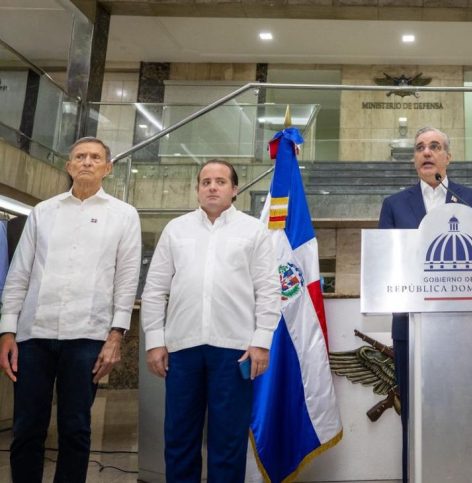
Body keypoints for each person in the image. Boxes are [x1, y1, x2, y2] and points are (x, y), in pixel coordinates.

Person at [0, 136, 141, 482]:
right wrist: (7, 331)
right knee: (27, 427)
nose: (86, 162)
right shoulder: (43, 212)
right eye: (79, 156)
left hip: (88, 336)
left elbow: (126, 279)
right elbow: (19, 273)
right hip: (34, 335)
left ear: (108, 168)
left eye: (95, 157)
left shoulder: (124, 216)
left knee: (75, 428)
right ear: (68, 165)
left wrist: (116, 336)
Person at [141, 159, 281, 482]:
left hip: (235, 350)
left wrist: (262, 341)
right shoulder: (176, 229)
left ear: (234, 190)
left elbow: (269, 290)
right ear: (197, 190)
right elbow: (155, 288)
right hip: (182, 348)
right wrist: (154, 341)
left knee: (228, 441)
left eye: (220, 182)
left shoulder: (254, 231)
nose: (212, 187)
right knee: (179, 437)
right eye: (206, 182)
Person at [377, 126, 472, 481]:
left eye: (434, 146)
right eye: (420, 148)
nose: (426, 152)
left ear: (448, 157)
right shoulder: (394, 205)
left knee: (465, 410)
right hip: (411, 326)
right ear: (414, 159)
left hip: (466, 329)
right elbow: (386, 262)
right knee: (413, 412)